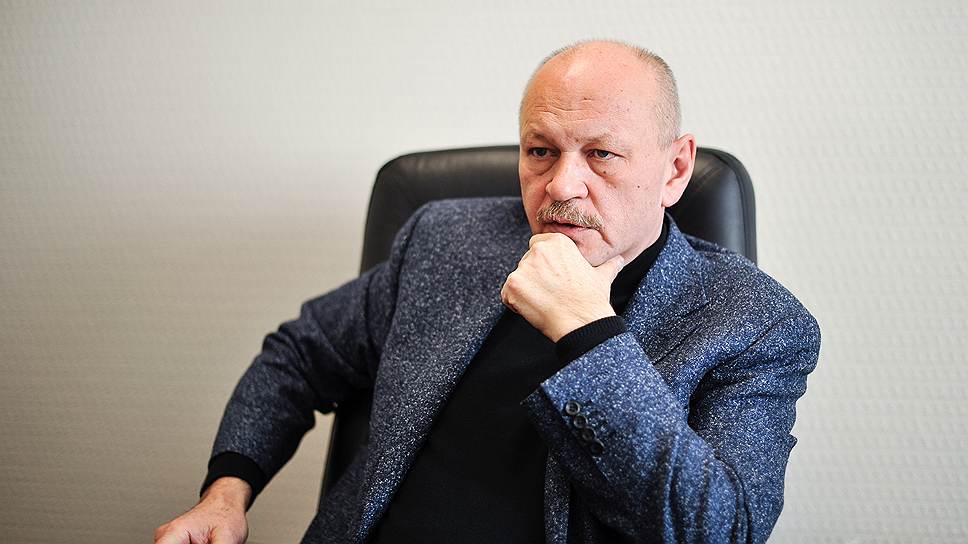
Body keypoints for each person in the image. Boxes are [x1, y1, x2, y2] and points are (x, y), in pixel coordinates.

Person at [155, 40, 820, 544]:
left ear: (675, 169)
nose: (561, 186)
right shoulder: (446, 239)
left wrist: (589, 334)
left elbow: (718, 529)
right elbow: (299, 355)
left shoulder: (752, 320)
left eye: (601, 154)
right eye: (540, 151)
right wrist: (226, 492)